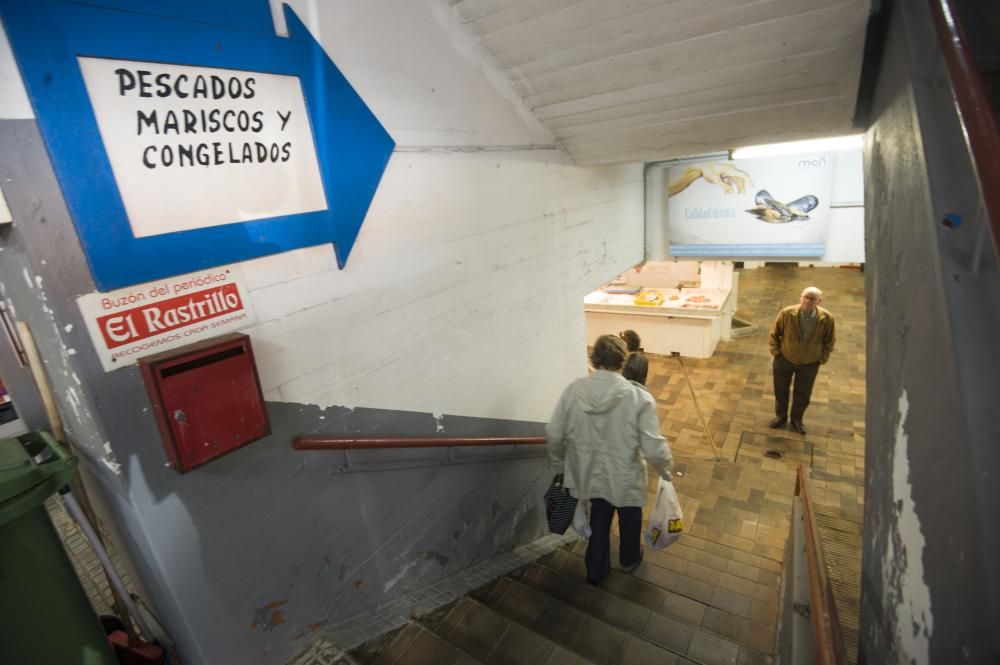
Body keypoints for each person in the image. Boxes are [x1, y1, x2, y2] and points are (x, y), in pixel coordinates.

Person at [546, 334, 672, 584]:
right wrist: (666, 469)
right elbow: (652, 446)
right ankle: (628, 559)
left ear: (595, 357)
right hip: (625, 476)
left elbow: (554, 432)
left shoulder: (574, 391)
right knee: (630, 517)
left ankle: (596, 571)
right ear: (622, 360)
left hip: (590, 474)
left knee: (599, 518)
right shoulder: (639, 398)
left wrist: (560, 463)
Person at [768, 286, 836, 435]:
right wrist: (776, 353)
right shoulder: (787, 313)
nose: (808, 301)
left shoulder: (826, 318)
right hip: (784, 359)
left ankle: (797, 419)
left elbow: (829, 340)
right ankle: (780, 416)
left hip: (809, 363)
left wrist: (821, 358)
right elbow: (774, 333)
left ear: (819, 301)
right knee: (780, 390)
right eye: (805, 297)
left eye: (812, 298)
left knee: (803, 393)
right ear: (800, 297)